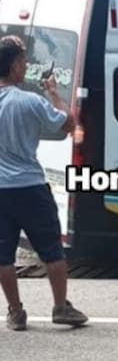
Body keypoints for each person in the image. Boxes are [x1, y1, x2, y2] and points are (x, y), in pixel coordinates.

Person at [0, 35, 88, 329]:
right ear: (13, 67)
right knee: (51, 249)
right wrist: (53, 92)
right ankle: (61, 307)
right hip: (31, 187)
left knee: (3, 255)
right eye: (23, 61)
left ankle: (15, 312)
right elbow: (68, 123)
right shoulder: (29, 102)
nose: (27, 66)